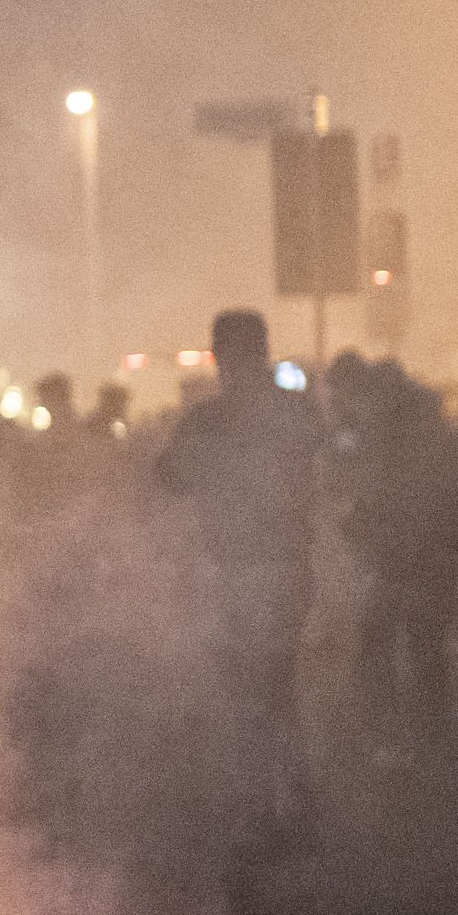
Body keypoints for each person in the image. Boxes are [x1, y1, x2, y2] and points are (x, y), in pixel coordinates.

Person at [150, 311, 321, 859]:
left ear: (221, 355)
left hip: (241, 569)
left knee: (251, 683)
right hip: (283, 565)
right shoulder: (294, 411)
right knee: (274, 681)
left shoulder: (211, 420)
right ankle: (287, 796)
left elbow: (169, 477)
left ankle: (266, 803)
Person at [332, 355, 458, 764]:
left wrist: (357, 531)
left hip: (397, 559)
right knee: (425, 647)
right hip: (434, 558)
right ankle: (432, 735)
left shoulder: (381, 438)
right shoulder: (439, 431)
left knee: (377, 644)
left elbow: (370, 498)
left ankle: (386, 737)